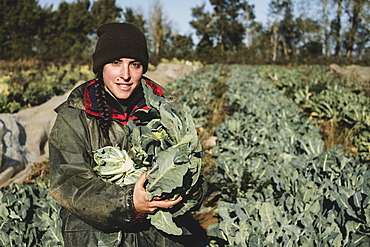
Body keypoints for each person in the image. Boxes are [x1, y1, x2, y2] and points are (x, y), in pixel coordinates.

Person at [49, 22, 207, 247]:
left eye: (134, 64)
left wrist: (187, 190)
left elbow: (195, 172)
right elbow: (69, 182)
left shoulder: (166, 112)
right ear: (101, 66)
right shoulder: (74, 117)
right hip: (95, 235)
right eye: (115, 63)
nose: (125, 75)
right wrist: (129, 202)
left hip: (159, 236)